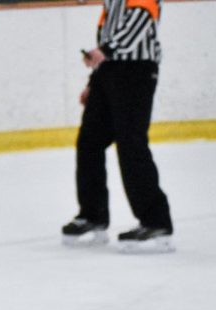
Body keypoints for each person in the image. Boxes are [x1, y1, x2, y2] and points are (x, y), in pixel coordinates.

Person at [62, 0, 173, 253]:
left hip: (136, 70)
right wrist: (95, 79)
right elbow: (107, 30)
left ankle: (156, 221)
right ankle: (93, 215)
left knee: (131, 143)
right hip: (109, 70)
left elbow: (141, 21)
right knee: (89, 142)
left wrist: (106, 50)